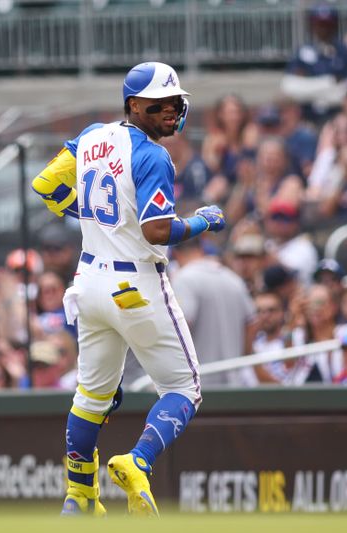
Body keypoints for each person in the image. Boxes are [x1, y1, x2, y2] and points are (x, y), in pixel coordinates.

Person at [31, 61, 226, 517]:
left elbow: (45, 185)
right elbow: (157, 231)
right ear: (134, 104)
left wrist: (94, 215)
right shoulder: (154, 155)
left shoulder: (92, 136)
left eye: (176, 103)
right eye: (161, 103)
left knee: (91, 396)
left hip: (89, 282)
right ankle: (137, 462)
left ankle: (79, 495)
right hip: (135, 283)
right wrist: (204, 221)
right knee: (184, 388)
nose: (171, 110)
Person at [171, 239, 255, 388]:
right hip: (234, 382)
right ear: (202, 249)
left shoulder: (184, 279)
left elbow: (180, 326)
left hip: (198, 384)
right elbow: (251, 325)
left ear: (176, 254)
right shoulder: (233, 278)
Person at [281, 3, 347, 123]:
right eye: (319, 23)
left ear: (335, 25)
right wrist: (329, 83)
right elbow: (290, 87)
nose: (323, 28)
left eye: (327, 24)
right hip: (306, 119)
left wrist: (307, 86)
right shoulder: (302, 52)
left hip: (338, 119)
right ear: (311, 25)